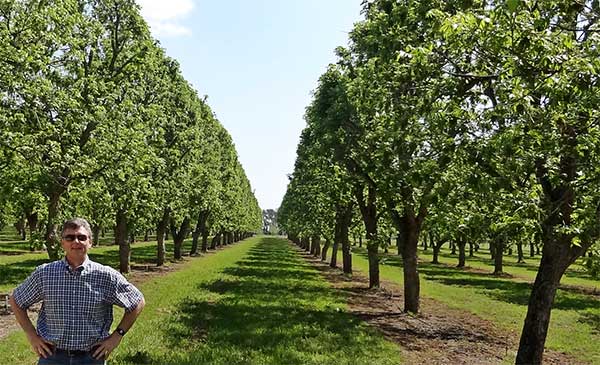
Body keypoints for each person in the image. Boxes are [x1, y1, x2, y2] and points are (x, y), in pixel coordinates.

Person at [9, 218, 145, 365]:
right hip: (52, 357)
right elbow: (16, 300)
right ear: (62, 243)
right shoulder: (45, 274)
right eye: (70, 237)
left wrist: (117, 336)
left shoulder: (106, 276)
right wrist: (31, 335)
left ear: (90, 242)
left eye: (82, 237)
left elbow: (137, 302)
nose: (76, 241)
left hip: (91, 358)